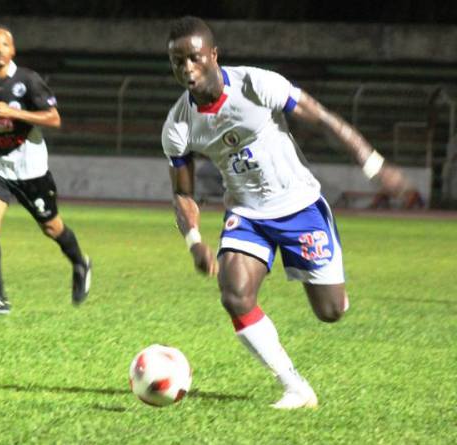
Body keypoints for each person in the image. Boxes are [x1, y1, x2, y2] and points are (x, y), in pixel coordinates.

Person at [161, 16, 409, 409]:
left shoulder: (255, 85)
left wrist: (375, 165)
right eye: (177, 62)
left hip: (299, 208)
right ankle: (294, 385)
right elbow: (183, 193)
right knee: (234, 295)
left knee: (330, 312)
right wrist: (194, 241)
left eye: (194, 58)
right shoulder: (178, 124)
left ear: (213, 55)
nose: (187, 69)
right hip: (246, 214)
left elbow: (323, 118)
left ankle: (333, 292)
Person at [0, 25, 91, 315]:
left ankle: (80, 263)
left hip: (30, 168)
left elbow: (54, 118)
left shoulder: (29, 81)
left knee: (51, 226)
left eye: (4, 44)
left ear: (13, 50)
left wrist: (15, 112)